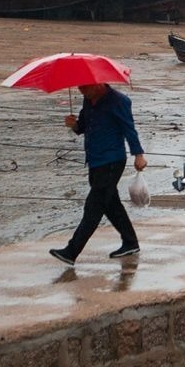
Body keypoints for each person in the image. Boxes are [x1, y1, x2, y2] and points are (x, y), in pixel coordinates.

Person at [49, 83, 146, 265]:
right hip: (95, 160)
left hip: (112, 161)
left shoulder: (119, 101)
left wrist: (138, 155)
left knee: (93, 207)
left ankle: (71, 251)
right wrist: (73, 125)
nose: (82, 91)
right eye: (80, 88)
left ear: (99, 84)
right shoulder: (88, 99)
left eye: (85, 88)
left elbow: (129, 129)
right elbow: (83, 127)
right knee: (110, 204)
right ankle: (130, 242)